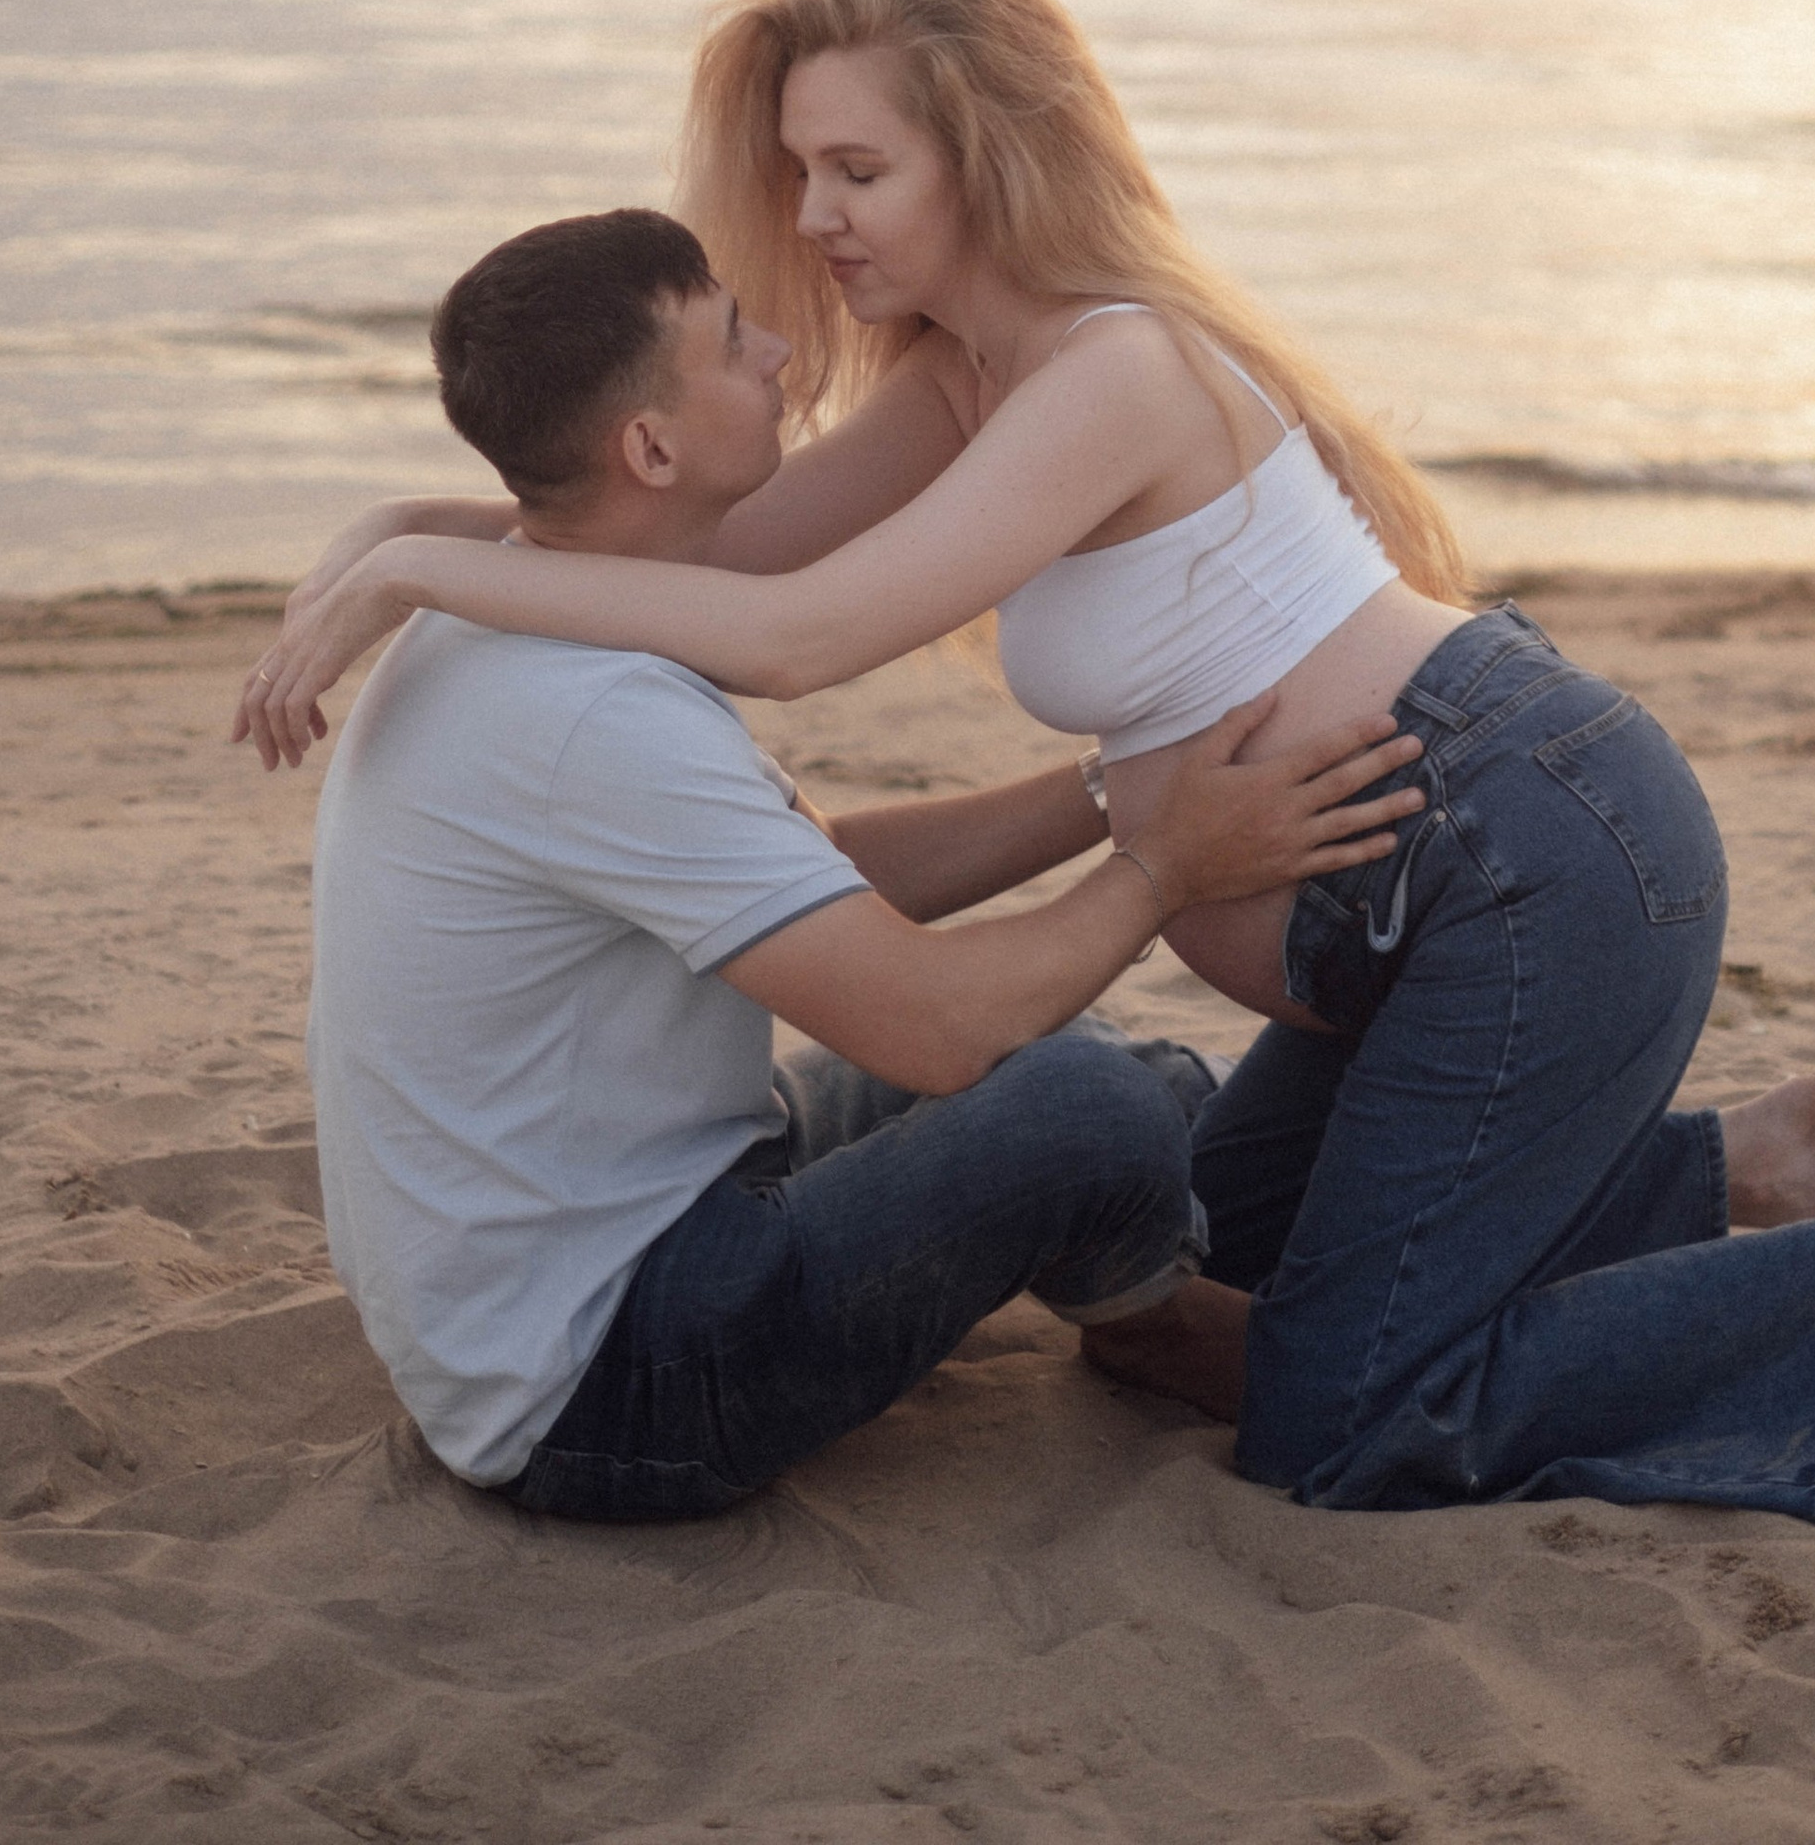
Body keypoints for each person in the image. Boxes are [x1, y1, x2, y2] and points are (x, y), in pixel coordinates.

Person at [244, 0, 1815, 1522]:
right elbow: (671, 543)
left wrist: (421, 580)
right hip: (1412, 873)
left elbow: (789, 637)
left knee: (1344, 1416)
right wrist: (392, 547)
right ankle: (1735, 1175)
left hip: (1523, 849)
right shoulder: (965, 383)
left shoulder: (1107, 369)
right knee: (1216, 1227)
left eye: (857, 172)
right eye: (802, 174)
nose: (812, 225)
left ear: (979, 159)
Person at [292, 202, 1427, 1521]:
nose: (778, 349)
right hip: (602, 1381)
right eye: (730, 340)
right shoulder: (588, 712)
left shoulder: (530, 611)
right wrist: (1168, 867)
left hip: (620, 1229)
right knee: (1076, 1103)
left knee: (1132, 1073)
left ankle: (1294, 1233)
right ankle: (1174, 1327)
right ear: (649, 446)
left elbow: (820, 873)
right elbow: (935, 1031)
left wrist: (1119, 796)